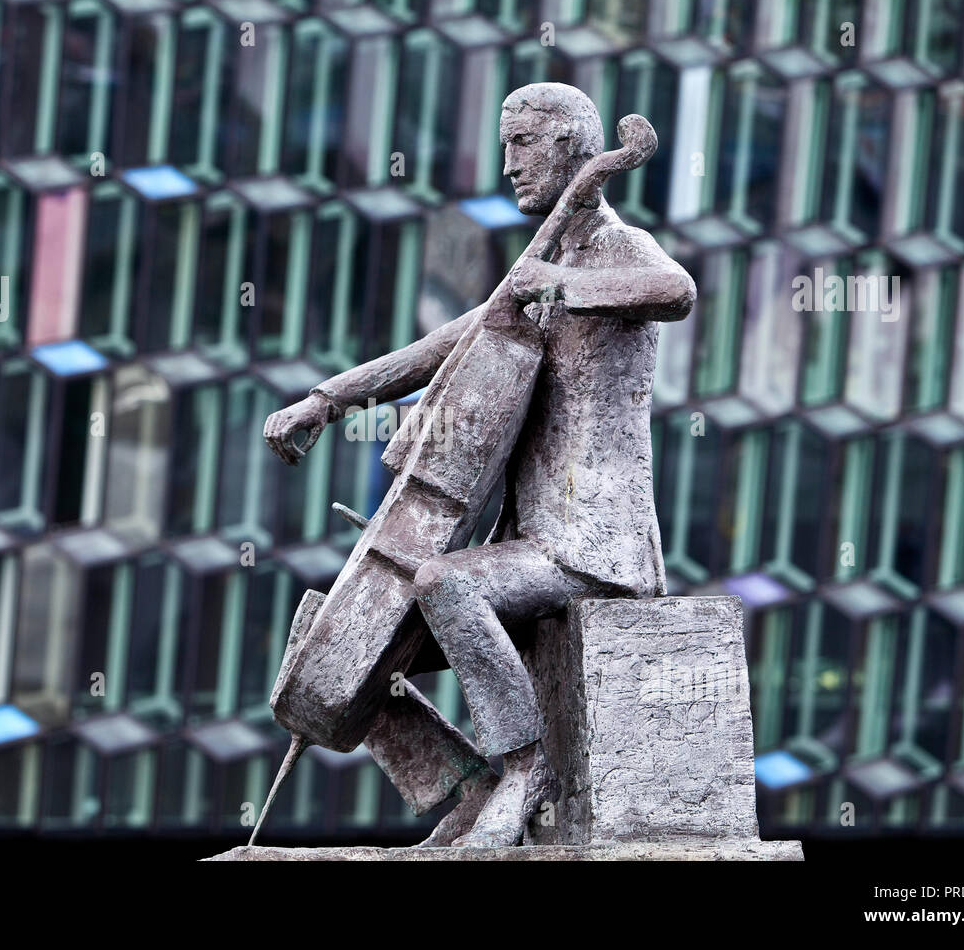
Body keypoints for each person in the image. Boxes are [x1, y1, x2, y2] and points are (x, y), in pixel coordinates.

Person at [263, 83, 695, 847]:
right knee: (337, 641)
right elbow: (437, 351)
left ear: (570, 145)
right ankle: (468, 789)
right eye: (503, 146)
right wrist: (325, 401)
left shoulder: (610, 249)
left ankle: (528, 769)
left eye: (521, 144)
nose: (508, 165)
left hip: (593, 546)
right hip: (530, 542)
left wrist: (561, 286)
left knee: (442, 580)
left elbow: (676, 291)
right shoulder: (534, 268)